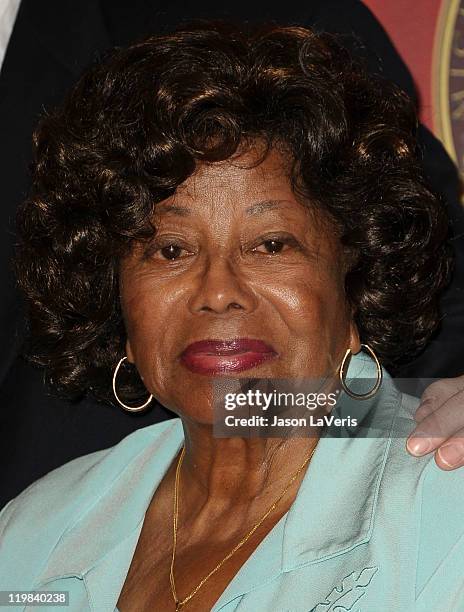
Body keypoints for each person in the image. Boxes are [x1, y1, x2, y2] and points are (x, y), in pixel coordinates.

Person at [1, 22, 463, 611]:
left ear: (355, 275)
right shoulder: (32, 533)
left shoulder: (446, 515)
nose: (217, 292)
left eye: (271, 244)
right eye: (171, 250)